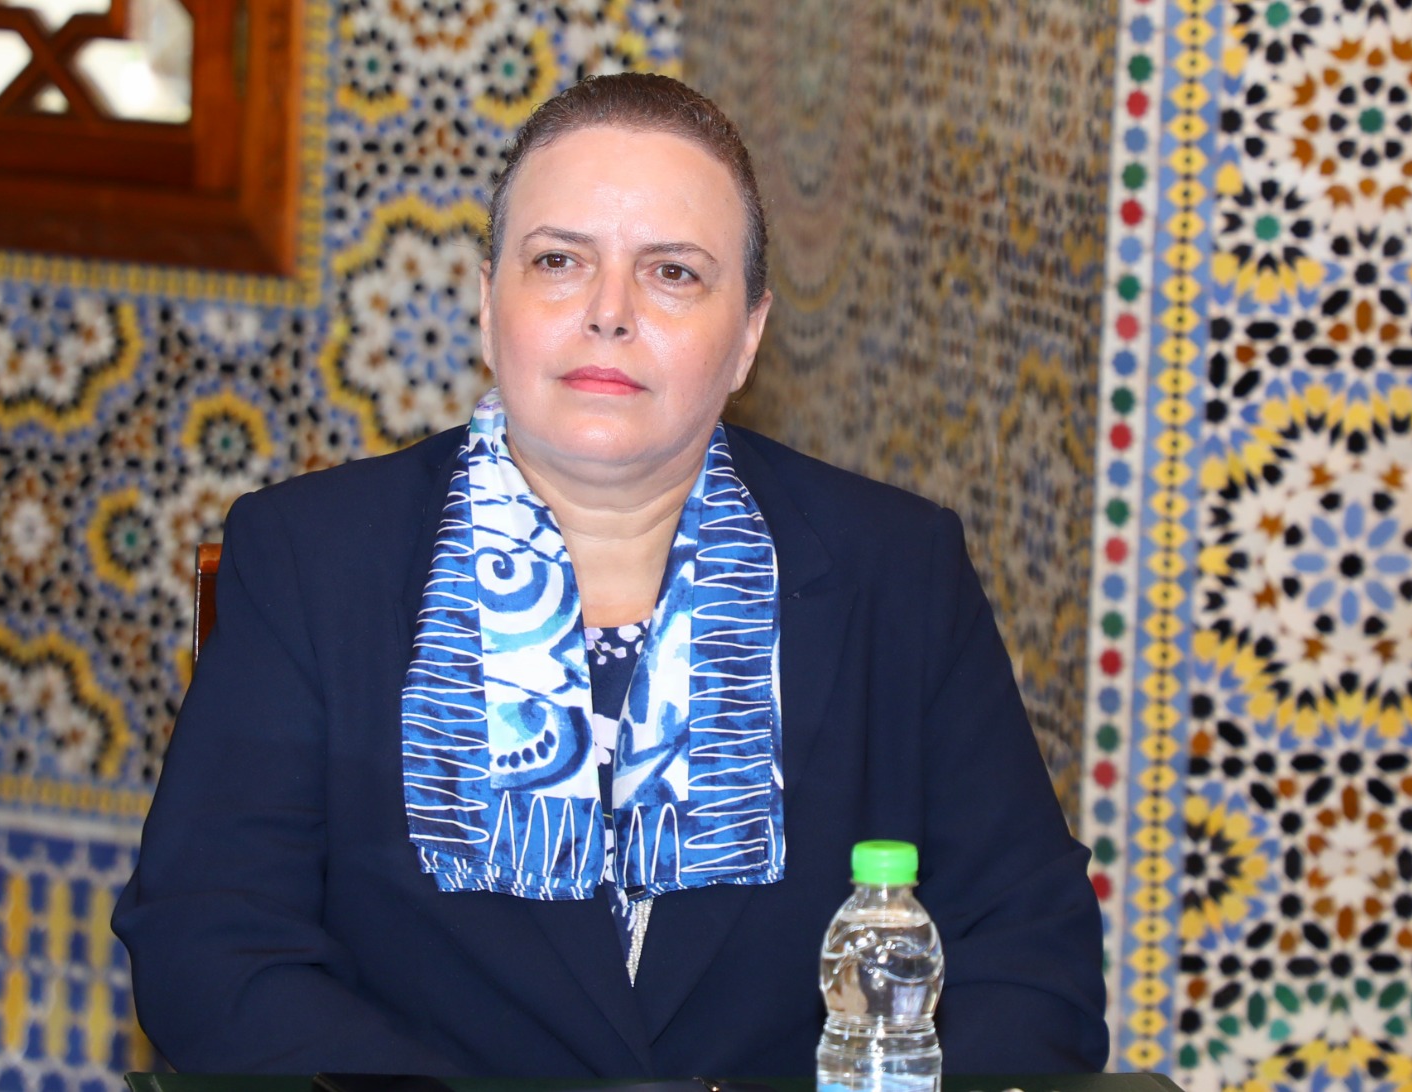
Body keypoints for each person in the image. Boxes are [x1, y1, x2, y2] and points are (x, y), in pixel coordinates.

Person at [113, 73, 1108, 1078]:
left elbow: (1033, 957)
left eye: (672, 273)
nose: (608, 313)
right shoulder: (310, 557)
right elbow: (210, 942)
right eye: (558, 261)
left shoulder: (898, 571)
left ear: (749, 335)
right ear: (487, 302)